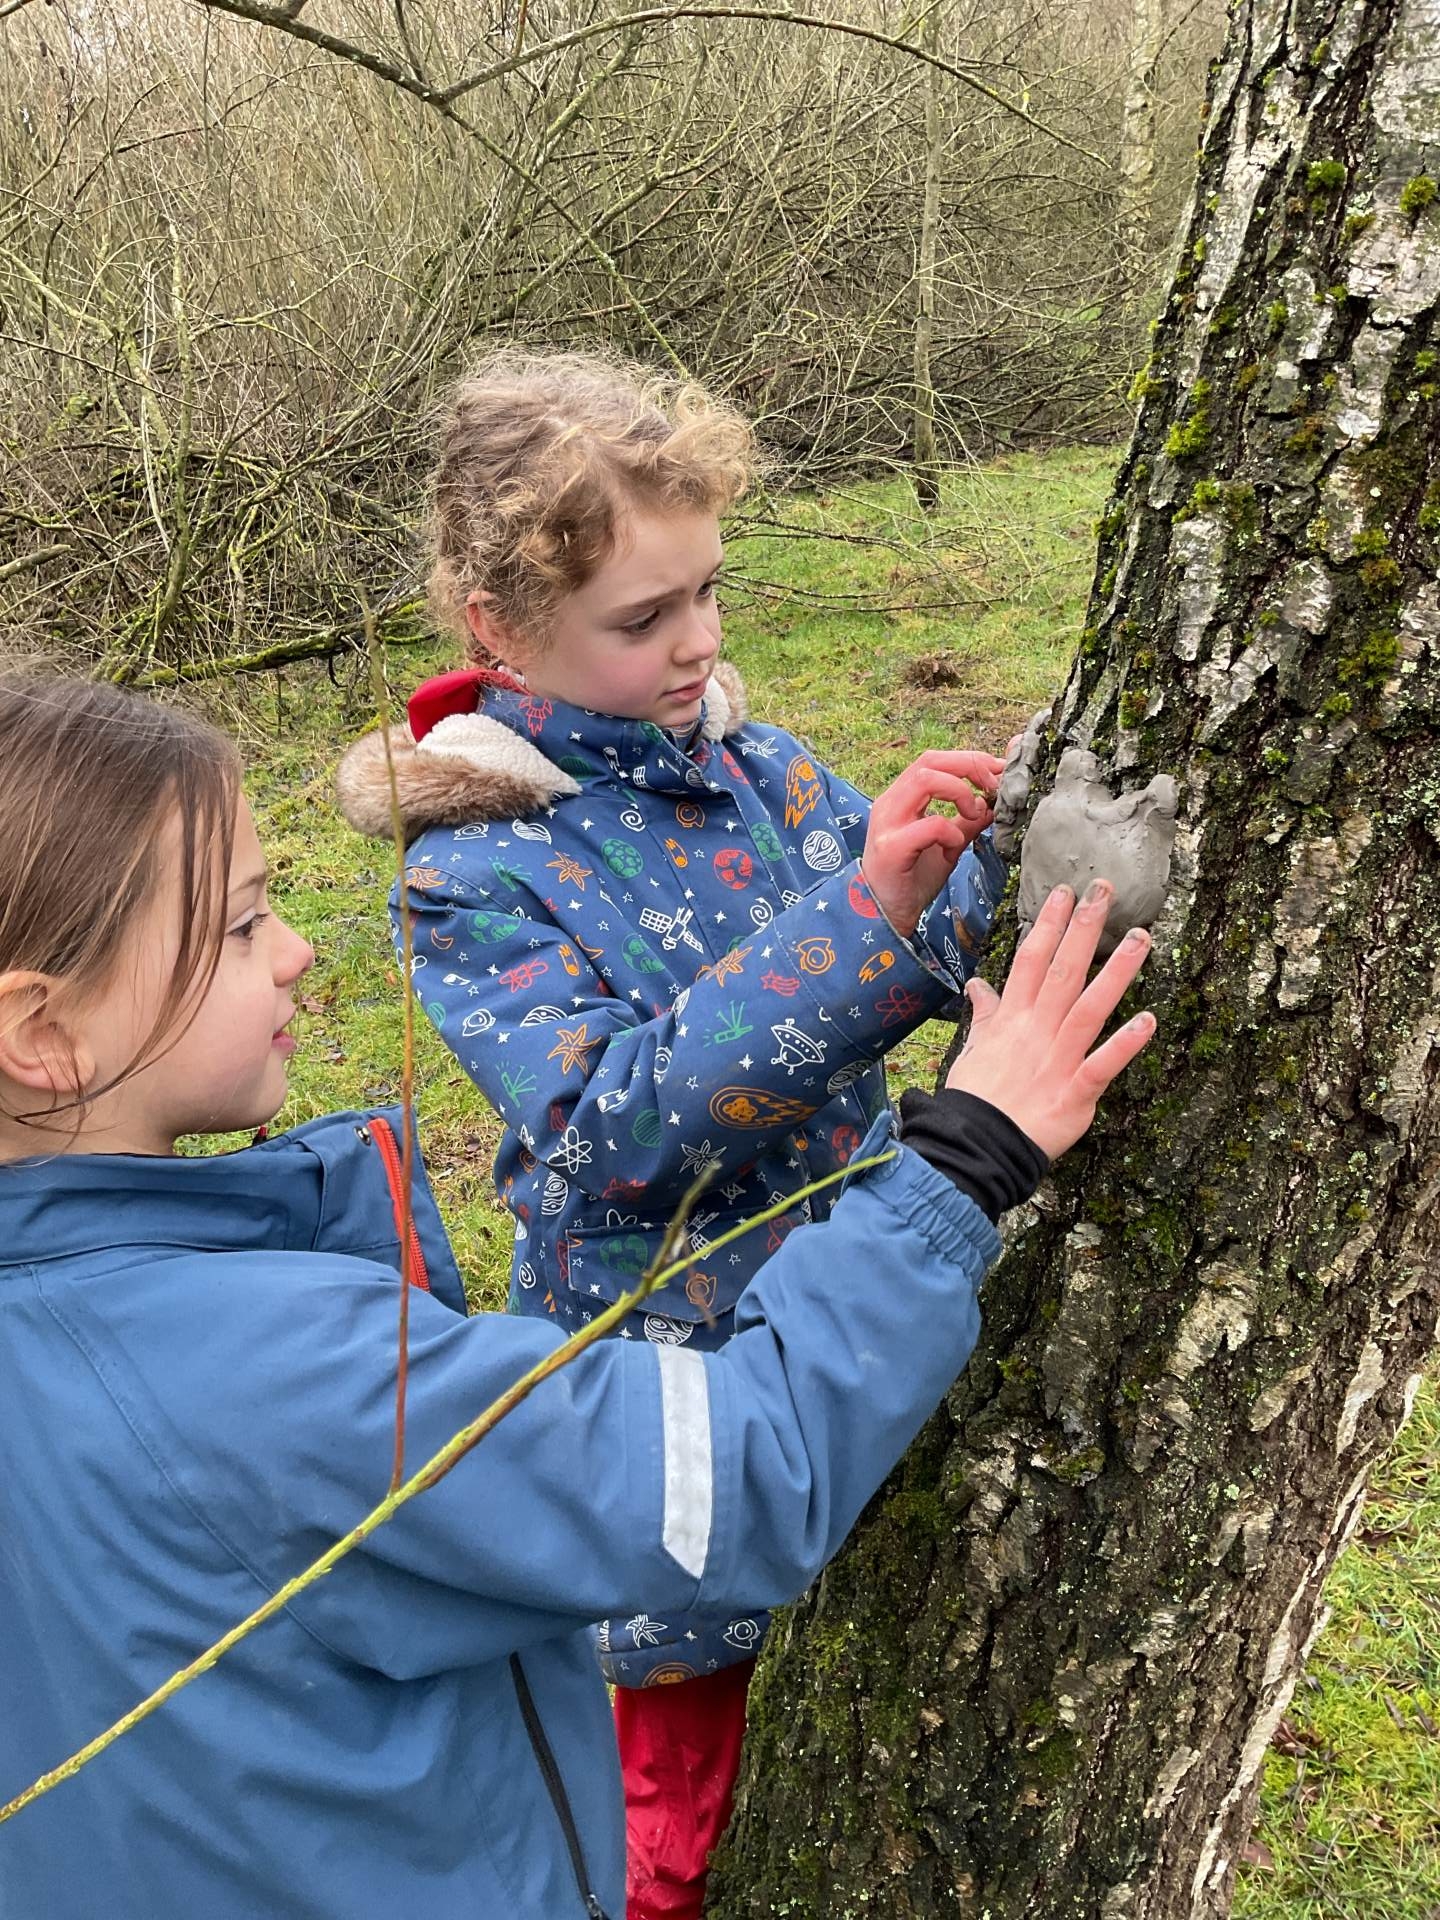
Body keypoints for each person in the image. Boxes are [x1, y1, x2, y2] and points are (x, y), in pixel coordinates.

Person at [0, 673, 1153, 1920]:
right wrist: (965, 1158)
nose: (296, 951)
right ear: (42, 1032)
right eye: (238, 926)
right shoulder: (266, 1369)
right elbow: (746, 1468)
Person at [336, 348, 1013, 1916]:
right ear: (498, 630)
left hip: (849, 1327)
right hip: (668, 1403)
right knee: (669, 1822)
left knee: (862, 1706)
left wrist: (983, 851)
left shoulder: (756, 766)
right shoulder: (473, 871)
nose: (699, 641)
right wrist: (863, 924)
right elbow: (606, 1135)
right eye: (644, 618)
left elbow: (910, 934)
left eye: (708, 590)